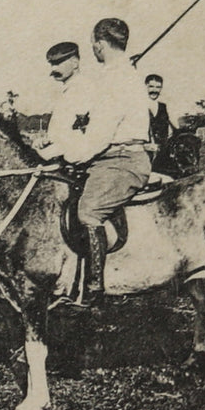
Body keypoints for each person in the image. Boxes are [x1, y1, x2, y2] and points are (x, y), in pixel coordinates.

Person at [37, 20, 153, 307]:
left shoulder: (118, 78)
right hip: (108, 157)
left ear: (99, 45)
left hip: (123, 159)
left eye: (93, 44)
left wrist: (66, 155)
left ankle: (94, 289)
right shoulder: (116, 75)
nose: (92, 49)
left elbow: (99, 136)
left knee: (88, 212)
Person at [146, 74, 176, 148]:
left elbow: (172, 129)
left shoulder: (163, 106)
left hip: (163, 149)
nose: (154, 90)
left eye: (158, 87)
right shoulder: (140, 106)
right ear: (146, 86)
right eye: (151, 86)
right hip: (145, 149)